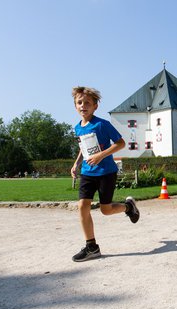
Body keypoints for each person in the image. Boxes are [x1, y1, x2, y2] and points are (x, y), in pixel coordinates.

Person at [70, 86, 140, 262]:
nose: (83, 105)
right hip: (87, 172)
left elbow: (120, 143)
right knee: (82, 206)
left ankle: (128, 207)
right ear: (75, 106)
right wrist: (76, 163)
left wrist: (101, 155)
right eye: (79, 102)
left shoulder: (102, 124)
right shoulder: (78, 128)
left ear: (95, 106)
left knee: (106, 210)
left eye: (87, 103)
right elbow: (82, 148)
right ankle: (91, 247)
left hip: (106, 172)